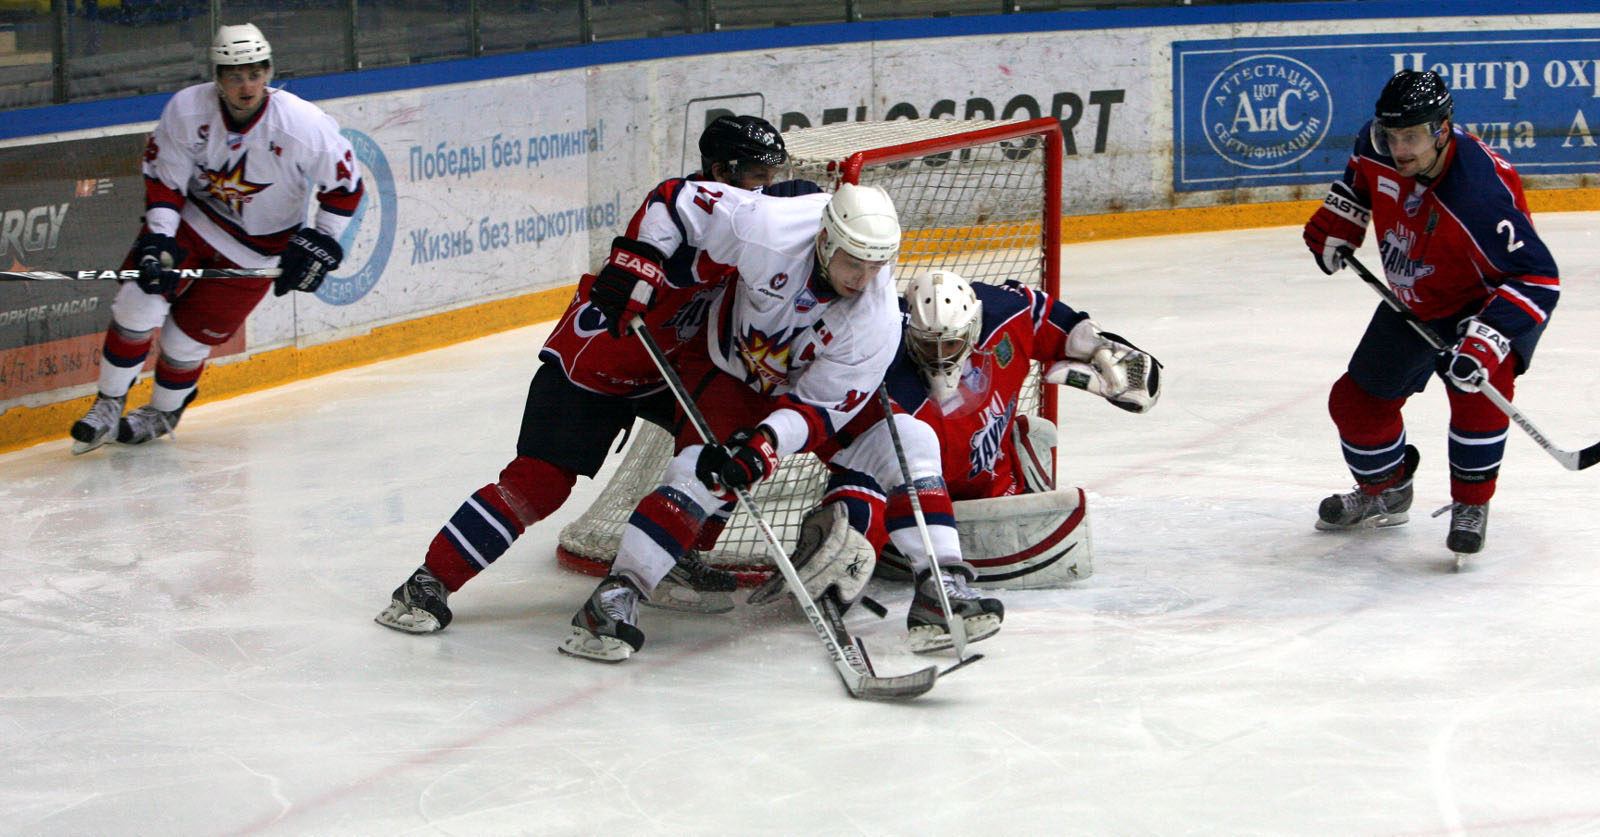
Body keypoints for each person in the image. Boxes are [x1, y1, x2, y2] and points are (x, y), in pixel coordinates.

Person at [376, 115, 811, 633]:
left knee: (725, 453)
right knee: (539, 485)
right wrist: (640, 264)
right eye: (758, 176)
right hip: (594, 367)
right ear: (721, 171)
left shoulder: (751, 220)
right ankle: (426, 584)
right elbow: (664, 201)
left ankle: (672, 560)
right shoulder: (685, 214)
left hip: (665, 365)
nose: (768, 188)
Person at [559, 181, 944, 663]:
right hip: (728, 368)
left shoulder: (878, 318)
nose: (862, 278)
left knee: (909, 440)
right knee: (699, 472)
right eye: (853, 262)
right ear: (825, 239)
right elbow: (677, 201)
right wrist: (639, 257)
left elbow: (820, 410)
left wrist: (766, 443)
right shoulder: (771, 227)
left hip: (800, 391)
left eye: (875, 266)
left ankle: (942, 584)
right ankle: (616, 597)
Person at [758, 269, 1160, 595]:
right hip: (920, 516)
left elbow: (1050, 320)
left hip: (1002, 491)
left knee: (1036, 433)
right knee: (868, 487)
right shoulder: (876, 363)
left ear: (972, 327)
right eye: (927, 344)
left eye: (949, 345)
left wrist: (1098, 347)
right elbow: (834, 433)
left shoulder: (1005, 314)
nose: (938, 355)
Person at [68, 23, 363, 454]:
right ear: (217, 77)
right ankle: (108, 403)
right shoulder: (188, 110)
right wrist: (160, 238)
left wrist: (321, 240)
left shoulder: (302, 125)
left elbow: (346, 187)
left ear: (268, 72)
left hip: (259, 249)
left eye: (256, 72)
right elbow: (165, 180)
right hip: (194, 221)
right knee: (137, 304)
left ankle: (163, 412)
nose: (247, 84)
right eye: (235, 74)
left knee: (186, 341)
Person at [1302, 69, 1560, 556]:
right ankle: (1388, 490)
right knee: (1354, 405)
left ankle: (1471, 504)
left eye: (1413, 136)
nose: (1400, 149)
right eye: (1392, 134)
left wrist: (1488, 339)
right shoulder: (1375, 144)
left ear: (1442, 129)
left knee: (1476, 388)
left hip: (1484, 301)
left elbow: (1538, 278)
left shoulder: (1480, 190)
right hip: (1417, 294)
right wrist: (1342, 218)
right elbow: (1360, 177)